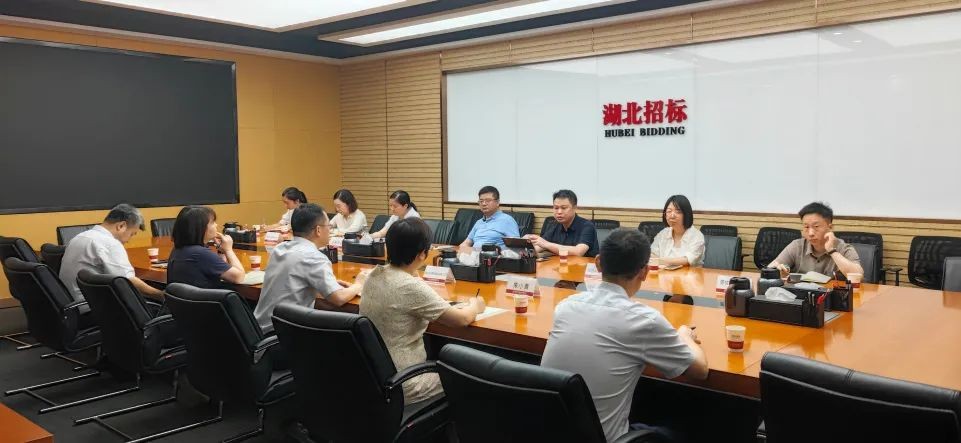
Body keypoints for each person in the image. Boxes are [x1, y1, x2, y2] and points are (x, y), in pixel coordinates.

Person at [541, 229, 708, 442]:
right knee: (687, 429)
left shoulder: (565, 306)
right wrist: (684, 335)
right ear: (644, 272)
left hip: (549, 433)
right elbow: (700, 371)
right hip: (605, 439)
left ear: (598, 263)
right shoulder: (644, 320)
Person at [360, 218, 485, 405]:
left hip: (372, 377)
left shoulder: (374, 275)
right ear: (422, 254)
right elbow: (462, 319)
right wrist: (475, 305)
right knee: (470, 375)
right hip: (405, 382)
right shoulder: (409, 286)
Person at [253, 204, 364, 332]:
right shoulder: (314, 257)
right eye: (328, 226)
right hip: (281, 334)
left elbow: (293, 283)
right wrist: (358, 285)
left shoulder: (279, 248)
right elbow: (338, 298)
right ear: (318, 230)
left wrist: (323, 284)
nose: (330, 230)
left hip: (257, 328)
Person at [59, 203, 163, 302]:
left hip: (72, 302)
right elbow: (128, 282)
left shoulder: (79, 237)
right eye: (132, 234)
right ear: (121, 226)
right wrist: (162, 295)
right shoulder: (110, 243)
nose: (128, 240)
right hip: (94, 306)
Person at [770, 202, 863, 277]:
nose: (810, 233)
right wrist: (778, 271)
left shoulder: (843, 248)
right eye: (806, 227)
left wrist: (832, 251)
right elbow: (770, 268)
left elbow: (858, 275)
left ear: (830, 227)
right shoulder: (797, 246)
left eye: (816, 226)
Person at [167, 206, 245, 289]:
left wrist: (222, 250)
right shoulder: (200, 253)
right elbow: (238, 277)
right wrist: (228, 250)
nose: (216, 225)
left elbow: (219, 269)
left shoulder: (178, 249)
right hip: (210, 297)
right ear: (200, 227)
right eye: (212, 222)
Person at [524, 189, 598, 257]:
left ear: (575, 208)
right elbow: (539, 246)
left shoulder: (587, 226)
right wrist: (524, 243)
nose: (559, 212)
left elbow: (578, 252)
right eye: (556, 208)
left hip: (583, 266)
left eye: (564, 208)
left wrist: (546, 244)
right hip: (560, 265)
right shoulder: (554, 225)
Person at [650, 195, 705, 267]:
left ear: (686, 214)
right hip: (663, 273)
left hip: (689, 273)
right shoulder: (663, 234)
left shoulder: (697, 236)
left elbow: (687, 260)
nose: (672, 215)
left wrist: (660, 261)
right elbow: (652, 255)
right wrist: (655, 260)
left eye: (678, 211)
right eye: (669, 211)